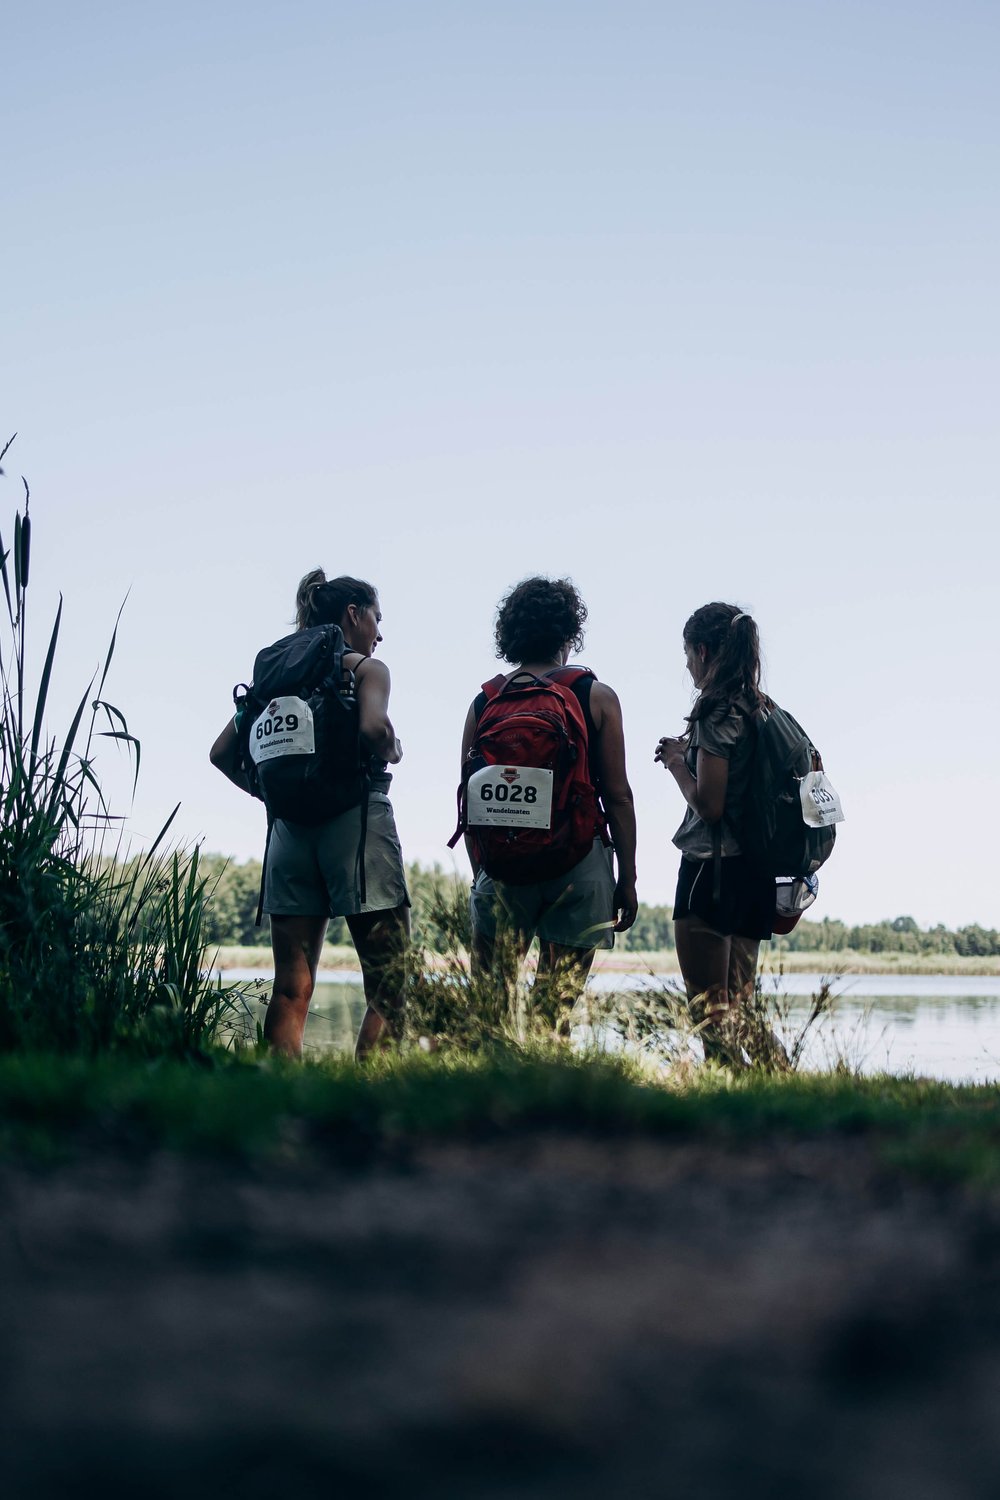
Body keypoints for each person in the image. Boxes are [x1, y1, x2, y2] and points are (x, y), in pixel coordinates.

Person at [210, 572, 409, 1060]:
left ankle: (281, 1100)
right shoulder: (366, 669)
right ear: (353, 615)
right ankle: (371, 1102)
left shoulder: (274, 681)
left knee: (290, 989)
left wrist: (269, 794)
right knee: (391, 982)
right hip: (355, 823)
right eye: (376, 619)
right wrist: (393, 747)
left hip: (287, 834)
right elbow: (371, 727)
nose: (379, 633)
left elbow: (221, 754)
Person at [462, 576, 638, 1030]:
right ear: (568, 633)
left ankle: (486, 1094)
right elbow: (617, 794)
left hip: (503, 868)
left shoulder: (485, 702)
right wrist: (627, 879)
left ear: (511, 634)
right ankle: (547, 1094)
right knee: (552, 1015)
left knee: (491, 1010)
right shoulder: (595, 697)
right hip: (577, 864)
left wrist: (484, 868)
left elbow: (469, 798)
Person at [654, 602, 778, 1064]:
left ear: (703, 651)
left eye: (688, 655)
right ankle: (783, 1090)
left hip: (713, 870)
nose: (687, 666)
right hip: (756, 872)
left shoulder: (714, 709)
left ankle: (729, 1115)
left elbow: (710, 805)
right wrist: (693, 753)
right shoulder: (761, 708)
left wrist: (674, 765)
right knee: (742, 1014)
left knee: (712, 1017)